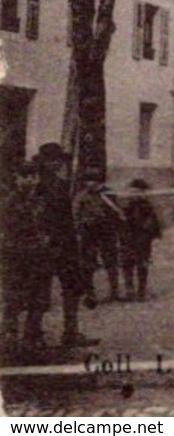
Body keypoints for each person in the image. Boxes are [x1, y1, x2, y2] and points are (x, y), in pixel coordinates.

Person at [34, 144, 93, 348]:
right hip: (45, 245)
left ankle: (71, 332)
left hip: (65, 244)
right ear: (43, 161)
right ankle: (33, 334)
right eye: (52, 160)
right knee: (39, 290)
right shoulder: (36, 185)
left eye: (58, 160)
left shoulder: (60, 183)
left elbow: (66, 216)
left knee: (73, 287)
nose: (57, 163)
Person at [2, 159, 51, 356]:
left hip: (38, 256)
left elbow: (47, 226)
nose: (30, 181)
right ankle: (9, 334)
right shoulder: (10, 202)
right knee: (14, 296)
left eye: (33, 177)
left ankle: (33, 335)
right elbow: (9, 229)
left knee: (38, 297)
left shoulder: (40, 201)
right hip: (16, 256)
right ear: (17, 179)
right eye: (25, 177)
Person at [75, 177, 124, 305]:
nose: (89, 182)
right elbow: (76, 214)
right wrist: (81, 226)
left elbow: (118, 212)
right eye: (88, 180)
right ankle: (90, 293)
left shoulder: (109, 195)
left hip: (107, 232)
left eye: (93, 180)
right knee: (88, 263)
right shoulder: (82, 196)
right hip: (88, 234)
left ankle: (114, 292)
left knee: (111, 262)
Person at [117, 179, 163, 302]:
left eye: (137, 192)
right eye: (131, 192)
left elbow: (152, 224)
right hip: (127, 240)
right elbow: (119, 225)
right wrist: (121, 220)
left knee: (142, 264)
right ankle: (129, 290)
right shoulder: (125, 206)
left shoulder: (147, 207)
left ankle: (141, 290)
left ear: (143, 193)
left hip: (142, 240)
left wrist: (144, 231)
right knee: (127, 264)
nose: (134, 194)